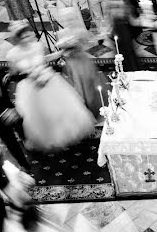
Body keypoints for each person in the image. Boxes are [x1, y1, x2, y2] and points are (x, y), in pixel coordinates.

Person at [7, 24, 96, 152]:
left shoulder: (38, 46)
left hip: (49, 80)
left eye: (29, 33)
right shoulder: (12, 54)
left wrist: (61, 53)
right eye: (24, 36)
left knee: (61, 109)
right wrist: (30, 74)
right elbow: (14, 72)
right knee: (40, 115)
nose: (28, 37)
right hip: (30, 87)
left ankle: (67, 133)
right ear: (18, 38)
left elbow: (44, 60)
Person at [58, 33, 107, 118]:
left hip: (82, 62)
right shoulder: (65, 37)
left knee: (89, 84)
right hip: (74, 65)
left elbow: (86, 40)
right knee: (81, 86)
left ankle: (94, 107)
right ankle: (87, 110)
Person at [109, 0, 142, 72]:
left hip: (124, 33)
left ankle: (129, 70)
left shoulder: (125, 9)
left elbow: (133, 21)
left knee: (127, 53)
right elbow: (133, 21)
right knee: (124, 54)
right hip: (120, 33)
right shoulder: (122, 9)